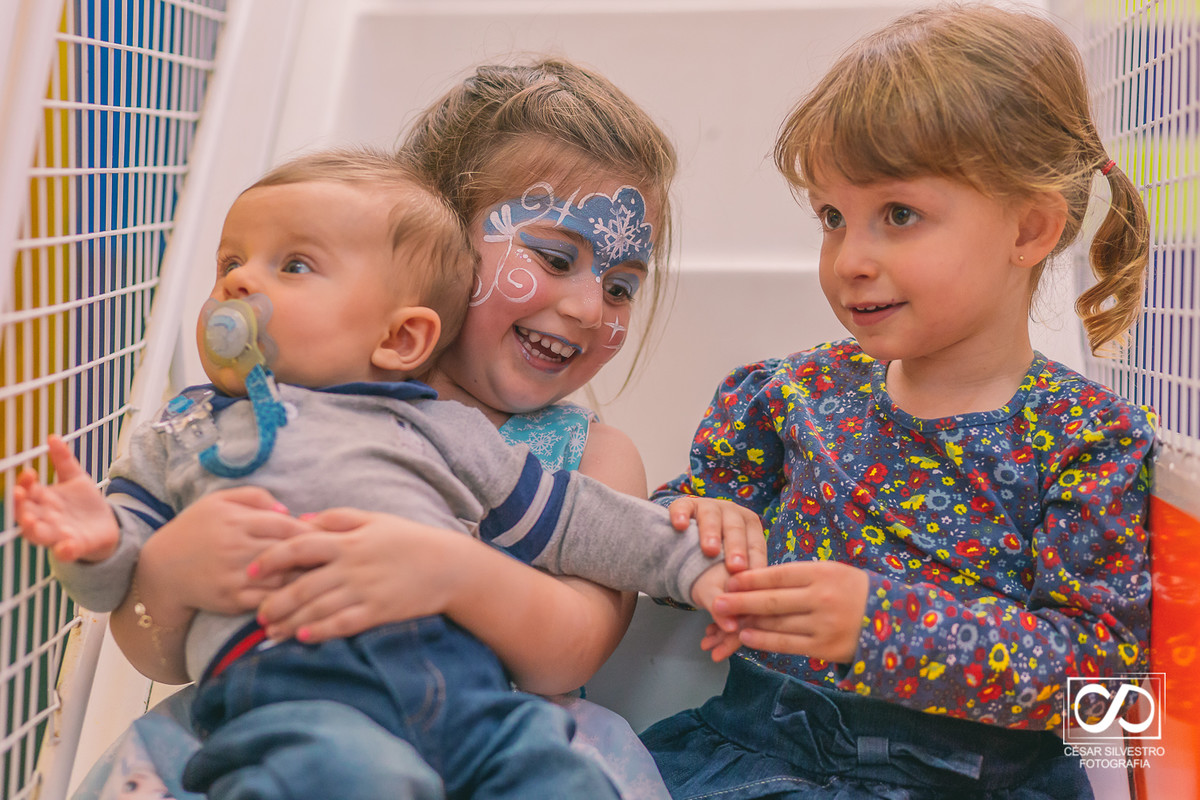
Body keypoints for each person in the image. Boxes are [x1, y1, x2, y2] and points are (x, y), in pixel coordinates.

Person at [16, 147, 732, 800]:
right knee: (350, 774)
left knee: (557, 775)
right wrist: (113, 550)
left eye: (291, 266)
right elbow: (138, 625)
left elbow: (580, 525)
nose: (238, 282)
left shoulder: (447, 432)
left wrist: (697, 562)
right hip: (292, 693)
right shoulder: (190, 428)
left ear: (402, 330)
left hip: (467, 696)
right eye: (228, 263)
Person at [638, 5, 1157, 799]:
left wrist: (882, 628)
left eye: (899, 215)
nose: (849, 259)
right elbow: (680, 518)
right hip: (761, 748)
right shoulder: (792, 393)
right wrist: (707, 520)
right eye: (832, 218)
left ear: (1030, 230)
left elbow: (1108, 683)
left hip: (971, 780)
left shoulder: (1086, 435)